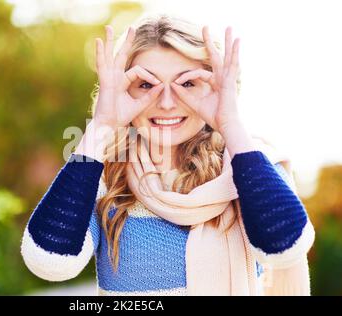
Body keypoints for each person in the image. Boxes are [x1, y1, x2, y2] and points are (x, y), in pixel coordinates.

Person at [21, 14, 315, 296]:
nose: (166, 103)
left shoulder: (251, 164)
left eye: (187, 83)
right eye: (146, 84)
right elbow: (50, 262)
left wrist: (229, 124)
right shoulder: (104, 175)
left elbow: (285, 248)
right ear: (123, 89)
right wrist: (101, 126)